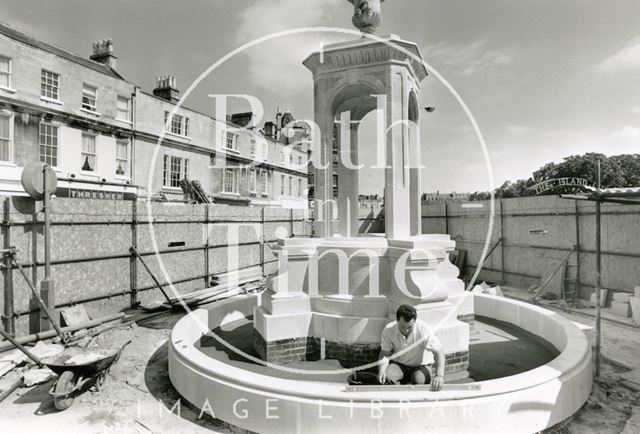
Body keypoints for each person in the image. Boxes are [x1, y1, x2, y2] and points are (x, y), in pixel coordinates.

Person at [377, 304, 445, 391]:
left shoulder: (424, 330)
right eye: (402, 326)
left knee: (418, 381)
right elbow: (384, 354)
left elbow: (439, 352)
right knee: (387, 378)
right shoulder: (388, 330)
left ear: (415, 321)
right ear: (397, 321)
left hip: (421, 366)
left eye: (410, 327)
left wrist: (439, 376)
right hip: (399, 365)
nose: (406, 330)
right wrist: (382, 370)